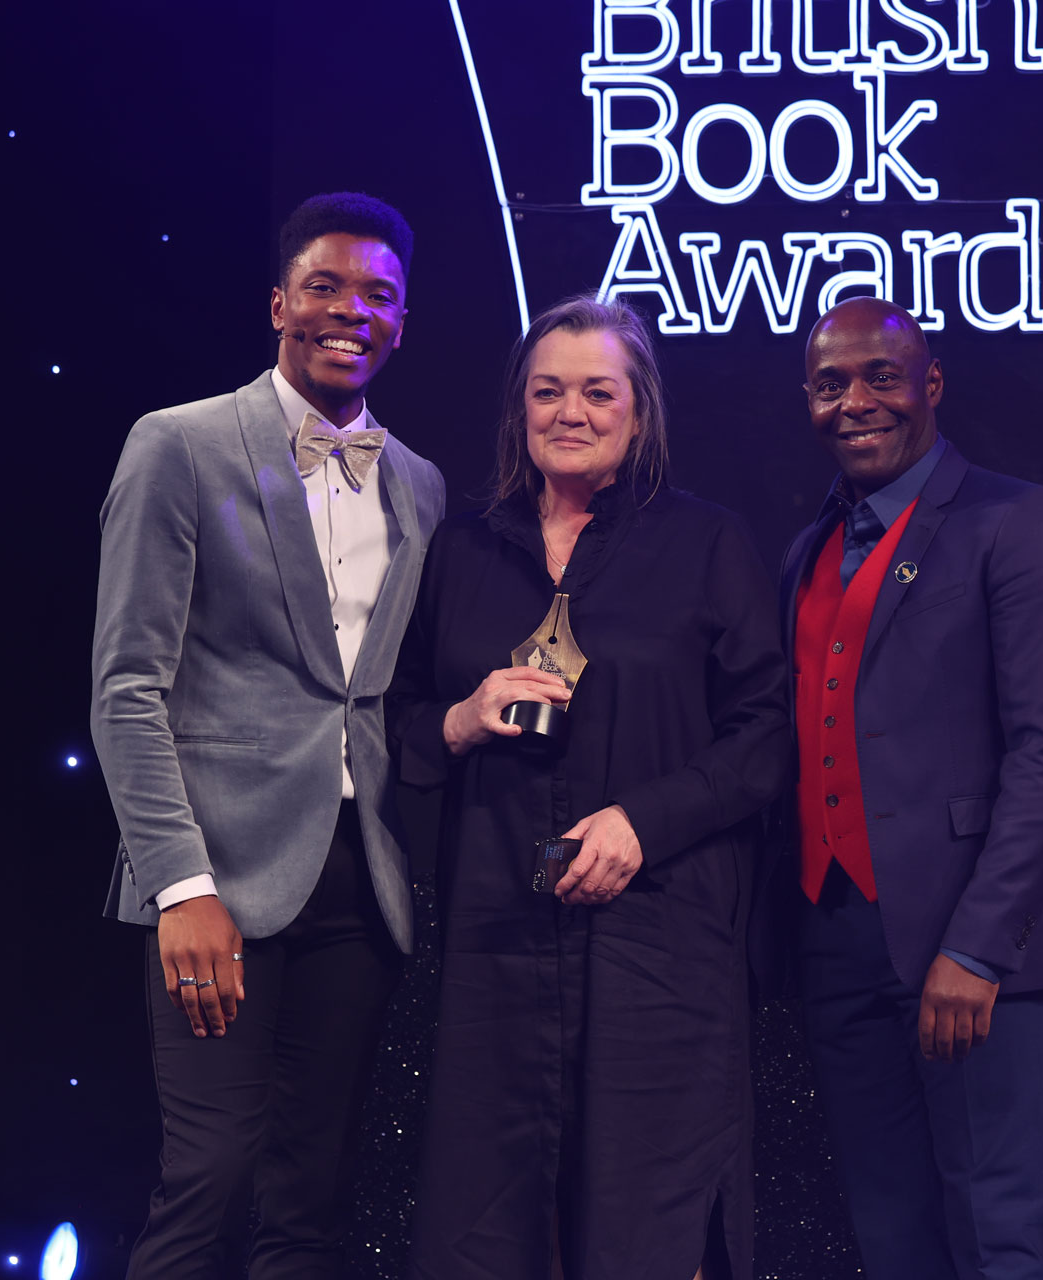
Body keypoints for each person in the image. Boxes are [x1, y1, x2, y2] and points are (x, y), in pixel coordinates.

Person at [389, 296, 789, 1279]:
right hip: (498, 942)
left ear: (639, 410)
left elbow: (767, 733)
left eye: (597, 391)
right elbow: (392, 724)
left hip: (658, 941)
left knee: (648, 1225)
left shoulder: (706, 543)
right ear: (519, 409)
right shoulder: (462, 548)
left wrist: (644, 823)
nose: (571, 410)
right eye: (547, 390)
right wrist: (461, 714)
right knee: (495, 1223)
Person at [91, 192, 446, 1277]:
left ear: (402, 320)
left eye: (379, 295)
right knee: (212, 1176)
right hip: (219, 879)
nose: (352, 311)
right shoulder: (181, 444)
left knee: (314, 1192)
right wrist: (179, 887)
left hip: (360, 881)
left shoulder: (418, 484)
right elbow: (127, 688)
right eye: (328, 286)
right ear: (281, 300)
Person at [772, 296, 1043, 1279]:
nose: (855, 400)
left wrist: (977, 946)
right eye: (831, 383)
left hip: (972, 942)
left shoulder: (1018, 520)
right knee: (891, 1231)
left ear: (931, 386)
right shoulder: (808, 550)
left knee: (998, 1223)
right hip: (838, 938)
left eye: (880, 375)